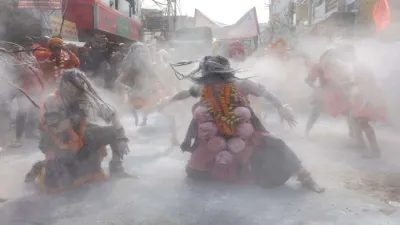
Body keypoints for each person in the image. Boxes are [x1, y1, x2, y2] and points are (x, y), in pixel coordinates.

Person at [159, 55, 324, 193]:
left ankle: (305, 177)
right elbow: (185, 93)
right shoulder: (204, 88)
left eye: (215, 75)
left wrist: (281, 107)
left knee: (277, 145)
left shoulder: (241, 84)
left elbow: (266, 93)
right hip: (215, 135)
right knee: (195, 173)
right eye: (210, 76)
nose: (213, 80)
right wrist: (169, 100)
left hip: (245, 130)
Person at [24, 69, 130, 192]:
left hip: (81, 132)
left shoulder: (84, 95)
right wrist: (73, 117)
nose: (76, 90)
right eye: (73, 85)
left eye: (80, 85)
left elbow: (111, 113)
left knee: (113, 133)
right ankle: (40, 166)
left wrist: (121, 136)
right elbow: (54, 127)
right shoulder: (53, 100)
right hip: (56, 138)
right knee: (58, 183)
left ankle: (116, 168)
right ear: (64, 84)